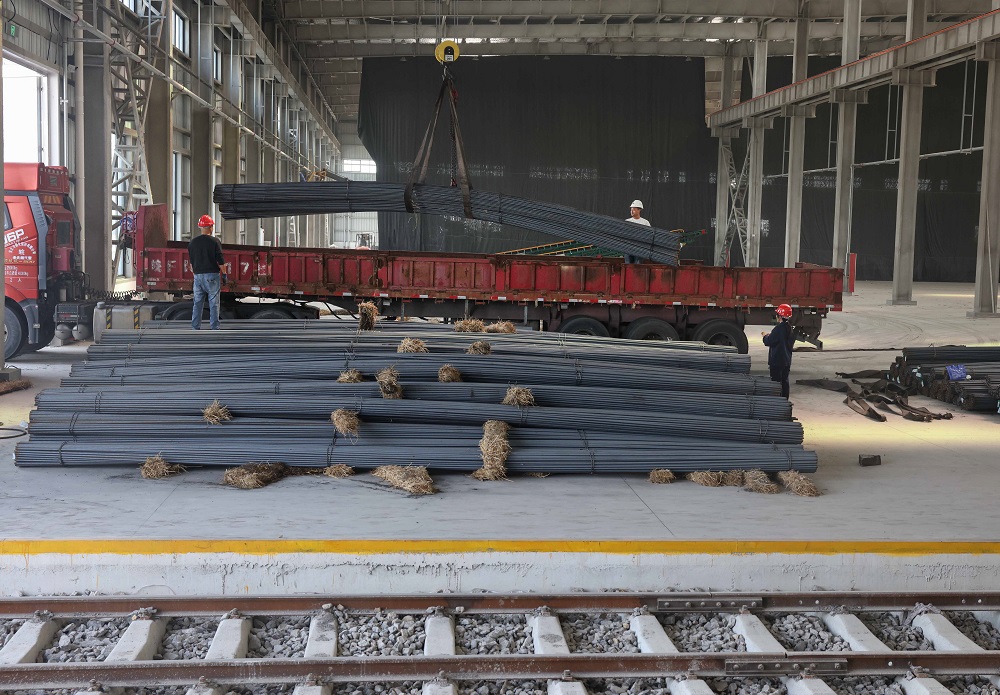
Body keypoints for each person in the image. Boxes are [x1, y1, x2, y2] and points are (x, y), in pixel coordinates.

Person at [188, 214, 225, 330]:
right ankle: (214, 327)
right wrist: (224, 274)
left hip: (197, 276)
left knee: (197, 303)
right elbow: (221, 261)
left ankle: (195, 327)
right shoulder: (215, 242)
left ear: (200, 227)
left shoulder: (192, 243)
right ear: (211, 227)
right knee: (214, 303)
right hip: (212, 276)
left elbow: (191, 264)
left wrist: (196, 275)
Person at [761, 303, 795, 398]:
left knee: (776, 383)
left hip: (777, 361)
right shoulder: (790, 328)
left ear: (779, 316)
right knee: (785, 382)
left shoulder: (779, 329)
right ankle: (784, 401)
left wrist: (765, 336)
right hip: (786, 361)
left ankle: (777, 402)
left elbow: (769, 341)